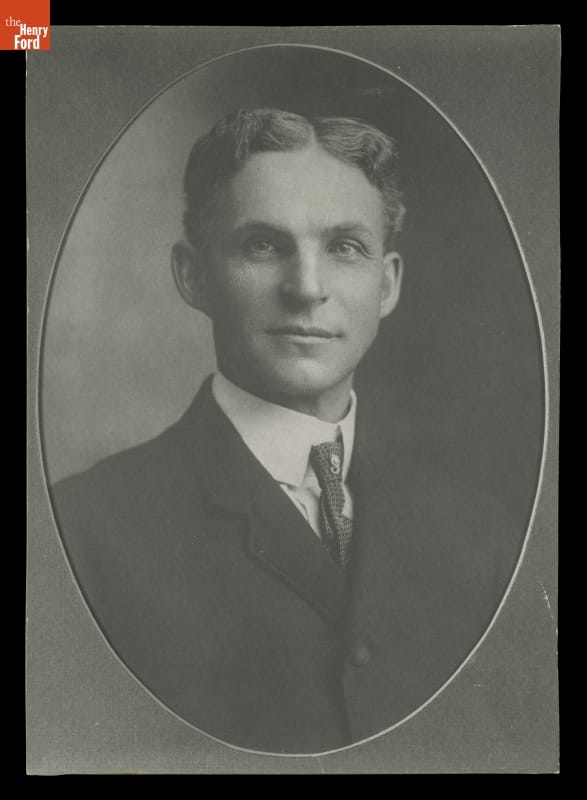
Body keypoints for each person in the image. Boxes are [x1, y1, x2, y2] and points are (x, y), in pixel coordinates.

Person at [52, 108, 517, 754]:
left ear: (385, 285)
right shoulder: (80, 531)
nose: (306, 288)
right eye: (263, 246)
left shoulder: (476, 535)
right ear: (193, 275)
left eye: (344, 247)